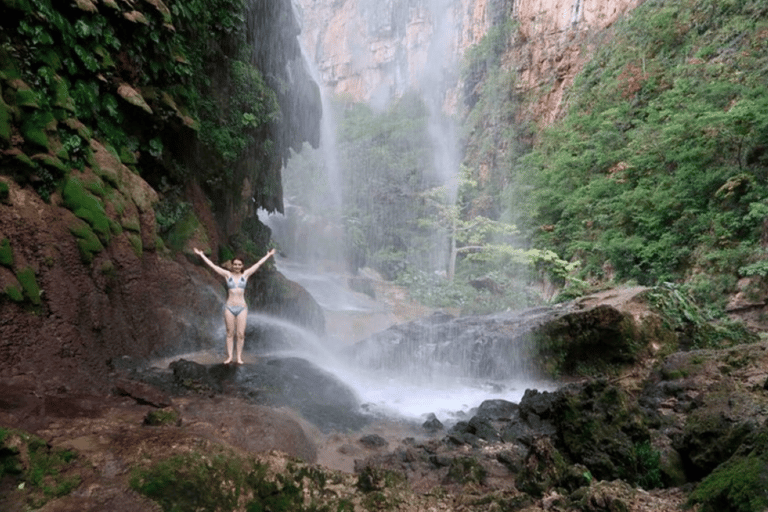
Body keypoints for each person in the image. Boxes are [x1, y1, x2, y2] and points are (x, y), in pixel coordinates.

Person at [193, 247, 277, 364]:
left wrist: (268, 255)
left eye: (239, 265)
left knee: (240, 334)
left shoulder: (245, 275)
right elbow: (212, 266)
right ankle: (229, 357)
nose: (237, 266)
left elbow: (258, 264)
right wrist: (201, 255)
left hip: (242, 307)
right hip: (229, 307)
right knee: (229, 333)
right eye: (235, 264)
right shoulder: (227, 275)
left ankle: (239, 357)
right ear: (232, 265)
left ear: (242, 266)